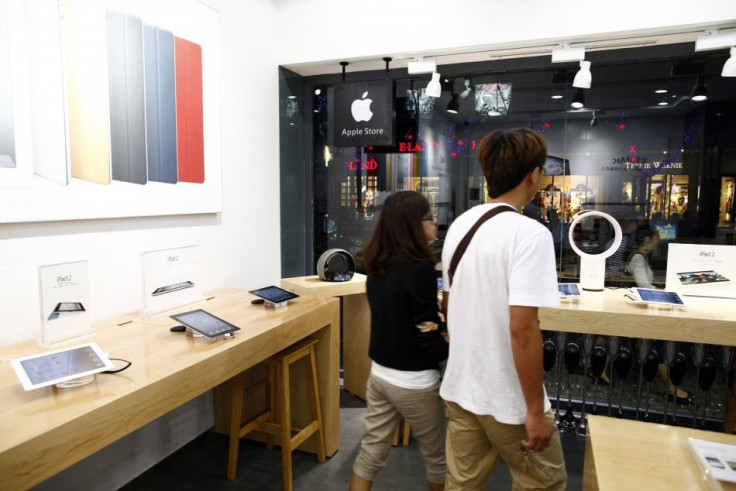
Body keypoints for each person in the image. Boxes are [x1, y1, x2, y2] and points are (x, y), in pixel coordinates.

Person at [440, 128, 567, 490]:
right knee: (544, 483)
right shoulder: (530, 234)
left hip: (461, 389)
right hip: (507, 399)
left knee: (462, 484)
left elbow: (449, 304)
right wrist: (534, 411)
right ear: (533, 174)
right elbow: (522, 330)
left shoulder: (460, 226)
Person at [350, 191, 449, 491]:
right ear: (412, 224)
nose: (435, 222)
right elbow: (426, 330)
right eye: (429, 216)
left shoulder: (377, 263)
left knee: (370, 454)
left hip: (380, 375)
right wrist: (450, 359)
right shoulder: (419, 267)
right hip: (414, 382)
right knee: (439, 459)